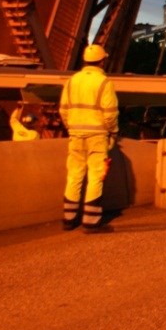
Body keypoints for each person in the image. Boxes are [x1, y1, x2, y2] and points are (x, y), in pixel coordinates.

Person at [59, 44, 119, 233]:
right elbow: (110, 113)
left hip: (75, 135)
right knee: (95, 176)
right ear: (102, 61)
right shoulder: (104, 82)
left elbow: (63, 110)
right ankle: (91, 221)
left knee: (74, 175)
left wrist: (72, 126)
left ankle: (69, 220)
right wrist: (113, 131)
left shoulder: (72, 81)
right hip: (97, 136)